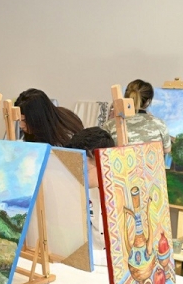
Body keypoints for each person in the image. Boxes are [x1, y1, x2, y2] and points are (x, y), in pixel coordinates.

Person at [66, 127, 116, 257]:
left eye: (84, 169)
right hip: (93, 259)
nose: (80, 174)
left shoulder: (123, 193)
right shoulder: (83, 190)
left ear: (102, 159)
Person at [102, 79, 171, 156]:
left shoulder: (110, 125)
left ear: (126, 98)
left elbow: (104, 153)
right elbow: (167, 150)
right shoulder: (159, 124)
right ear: (148, 102)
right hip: (150, 163)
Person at [15, 88, 84, 146]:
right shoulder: (51, 114)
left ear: (38, 119)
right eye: (19, 120)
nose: (21, 126)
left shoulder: (64, 137)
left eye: (24, 120)